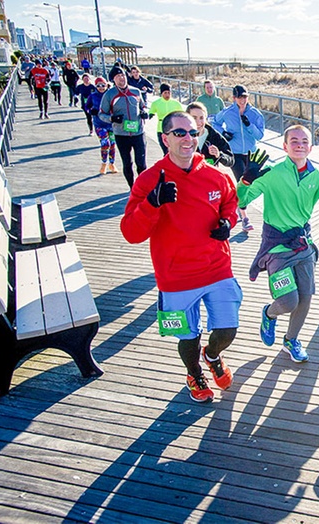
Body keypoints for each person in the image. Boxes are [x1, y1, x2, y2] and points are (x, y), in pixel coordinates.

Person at [120, 111, 241, 403]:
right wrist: (152, 203)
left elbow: (230, 205)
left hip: (216, 267)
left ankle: (212, 356)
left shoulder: (215, 175)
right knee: (188, 337)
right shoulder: (150, 180)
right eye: (180, 133)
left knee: (227, 329)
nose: (189, 138)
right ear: (165, 139)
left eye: (192, 133)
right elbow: (131, 233)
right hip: (176, 275)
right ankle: (194, 373)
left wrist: (227, 223)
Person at [237, 125, 319, 363]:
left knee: (305, 298)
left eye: (304, 141)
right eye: (294, 141)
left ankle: (291, 341)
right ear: (285, 146)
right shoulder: (271, 173)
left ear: (311, 147)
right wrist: (247, 180)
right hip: (276, 247)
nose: (299, 144)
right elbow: (242, 200)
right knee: (288, 301)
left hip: (303, 246)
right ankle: (269, 314)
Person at [210, 85, 265, 233]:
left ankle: (234, 205)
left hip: (250, 153)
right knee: (242, 180)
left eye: (245, 97)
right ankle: (245, 217)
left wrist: (249, 125)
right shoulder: (228, 112)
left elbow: (260, 135)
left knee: (251, 184)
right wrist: (224, 133)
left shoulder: (255, 114)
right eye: (240, 97)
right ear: (234, 98)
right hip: (234, 153)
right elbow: (214, 122)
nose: (243, 100)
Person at [99, 66, 148, 187]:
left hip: (138, 133)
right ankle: (132, 187)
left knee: (141, 163)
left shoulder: (136, 91)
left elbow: (143, 106)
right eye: (118, 76)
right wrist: (112, 119)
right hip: (121, 134)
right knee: (127, 163)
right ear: (113, 80)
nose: (122, 78)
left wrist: (144, 112)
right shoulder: (109, 95)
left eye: (123, 75)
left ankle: (142, 187)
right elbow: (101, 114)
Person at [186, 102, 234, 168]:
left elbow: (230, 160)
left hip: (210, 177)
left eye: (201, 118)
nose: (198, 122)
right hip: (187, 177)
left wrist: (219, 155)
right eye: (194, 118)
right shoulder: (181, 137)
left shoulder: (214, 136)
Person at [87, 77, 118, 174]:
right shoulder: (92, 96)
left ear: (106, 85)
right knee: (105, 144)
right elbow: (86, 106)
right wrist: (90, 111)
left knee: (113, 144)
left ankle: (112, 163)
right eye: (98, 85)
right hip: (99, 123)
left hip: (111, 123)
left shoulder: (111, 94)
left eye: (103, 85)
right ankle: (104, 163)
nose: (101, 87)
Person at [149, 83, 185, 155]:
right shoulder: (156, 103)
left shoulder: (176, 103)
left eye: (169, 93)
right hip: (161, 129)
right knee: (165, 150)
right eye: (165, 93)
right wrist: (150, 114)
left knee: (173, 150)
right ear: (161, 93)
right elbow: (151, 111)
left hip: (173, 129)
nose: (167, 95)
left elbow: (182, 115)